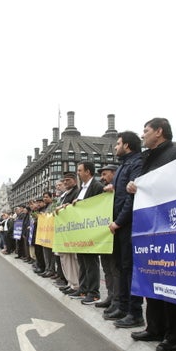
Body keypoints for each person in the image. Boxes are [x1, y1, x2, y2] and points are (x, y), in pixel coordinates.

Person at [126, 118, 176, 351]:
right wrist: (134, 186)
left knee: (172, 280)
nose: (142, 135)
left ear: (159, 132)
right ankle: (154, 327)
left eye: (146, 131)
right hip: (148, 226)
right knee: (151, 276)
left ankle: (175, 336)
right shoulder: (145, 159)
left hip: (170, 226)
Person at [103, 132, 143, 323]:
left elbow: (131, 197)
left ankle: (135, 312)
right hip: (119, 226)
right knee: (121, 266)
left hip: (128, 225)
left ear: (126, 145)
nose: (115, 147)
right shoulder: (122, 167)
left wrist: (119, 221)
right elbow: (120, 193)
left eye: (118, 143)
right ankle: (123, 306)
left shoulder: (137, 163)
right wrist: (113, 187)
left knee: (129, 268)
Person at [70, 161, 104, 305]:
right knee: (82, 262)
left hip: (91, 231)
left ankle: (94, 293)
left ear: (88, 172)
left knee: (91, 262)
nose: (77, 173)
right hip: (81, 231)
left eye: (79, 170)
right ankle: (83, 289)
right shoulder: (81, 189)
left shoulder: (97, 186)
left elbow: (99, 205)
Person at [95, 165, 118, 308]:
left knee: (116, 270)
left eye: (105, 174)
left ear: (115, 173)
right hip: (103, 236)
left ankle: (118, 301)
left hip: (116, 234)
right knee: (107, 269)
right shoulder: (103, 192)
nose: (102, 178)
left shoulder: (120, 189)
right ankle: (110, 296)